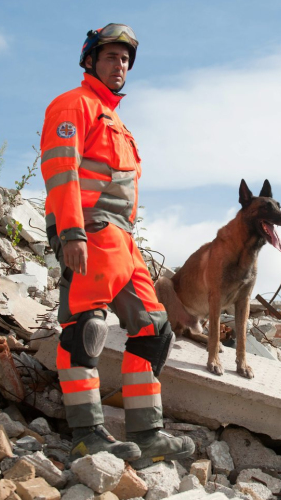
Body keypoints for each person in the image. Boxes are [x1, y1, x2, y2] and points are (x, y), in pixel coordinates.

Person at [40, 23, 194, 465]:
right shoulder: (73, 105)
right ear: (90, 61)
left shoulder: (116, 122)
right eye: (111, 57)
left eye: (125, 59)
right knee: (85, 329)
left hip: (122, 240)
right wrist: (70, 232)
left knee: (153, 328)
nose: (120, 65)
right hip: (89, 231)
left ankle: (146, 434)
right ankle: (87, 435)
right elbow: (61, 171)